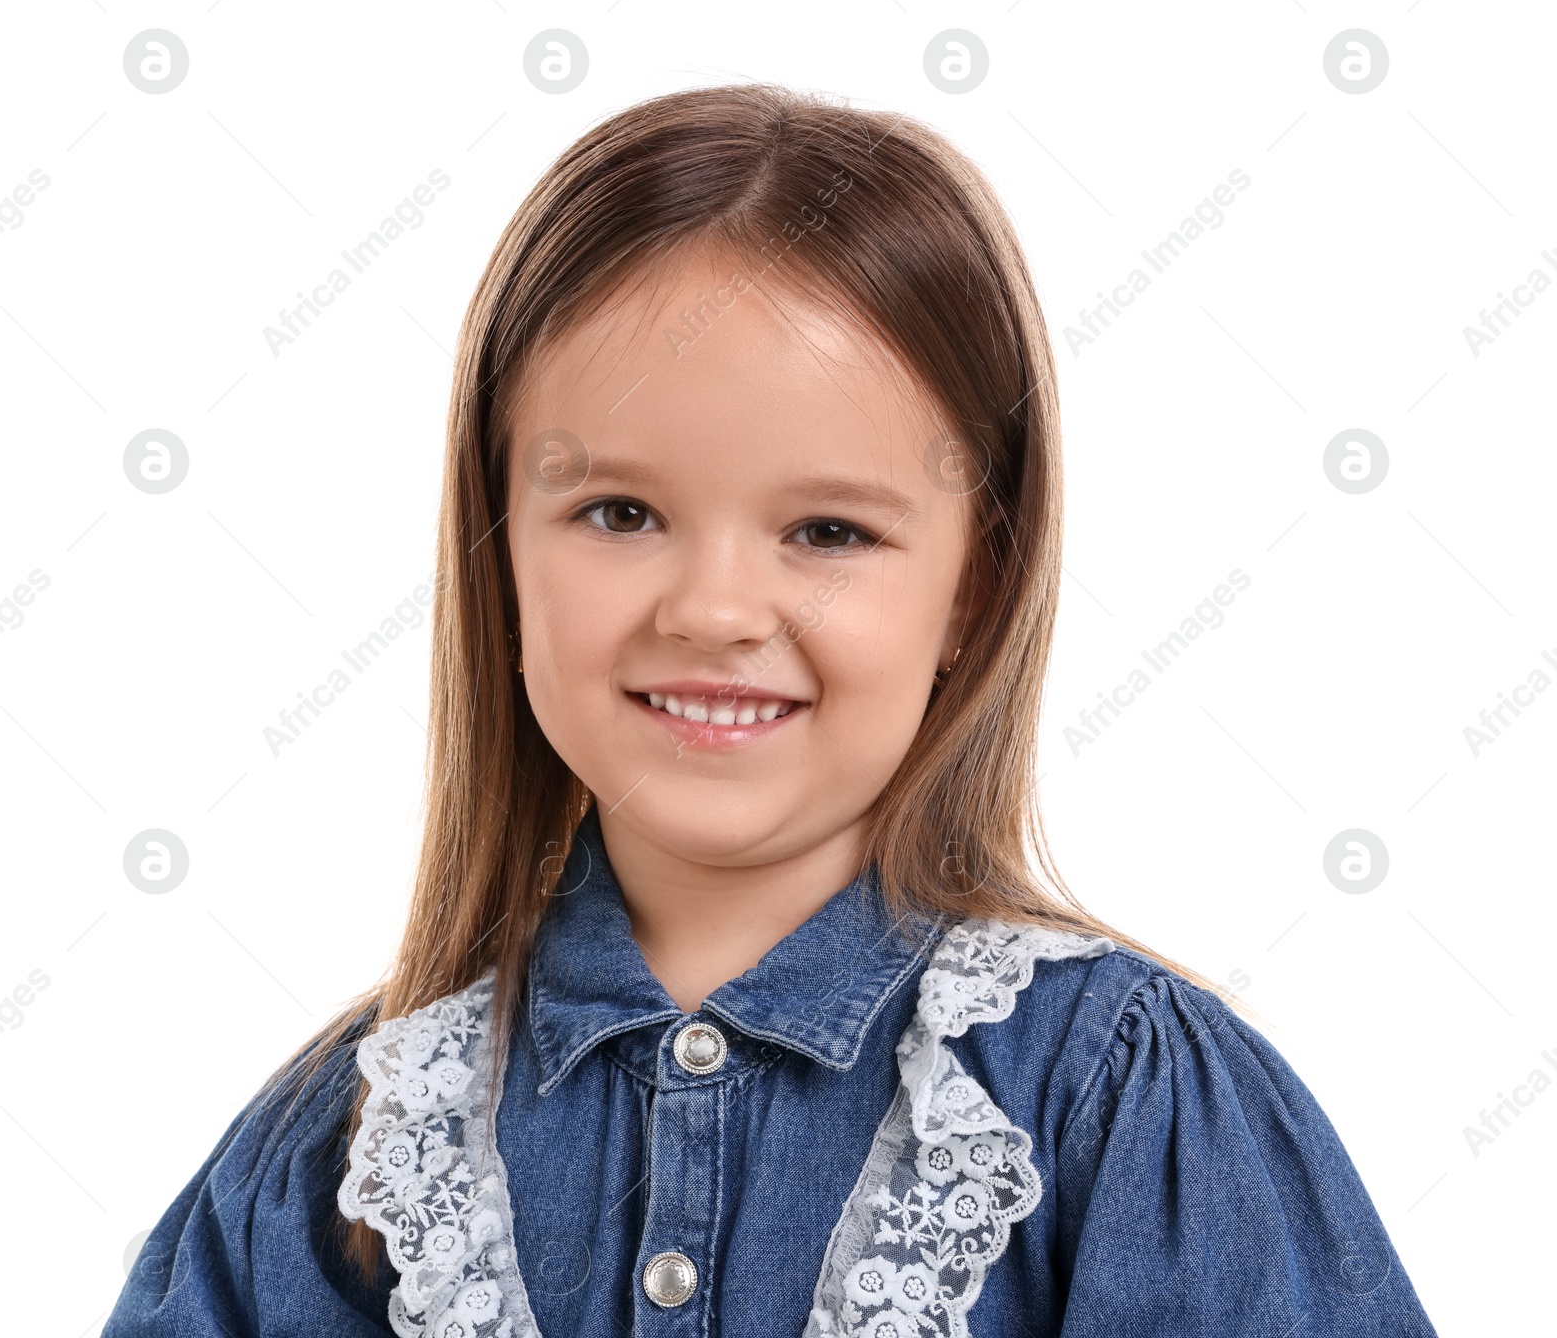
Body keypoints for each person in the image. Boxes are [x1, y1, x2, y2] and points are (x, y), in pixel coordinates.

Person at [105, 82, 1438, 1337]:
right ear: (499, 548)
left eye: (828, 530)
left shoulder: (1125, 1102)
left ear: (975, 583)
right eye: (619, 513)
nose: (716, 610)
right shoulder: (341, 1155)